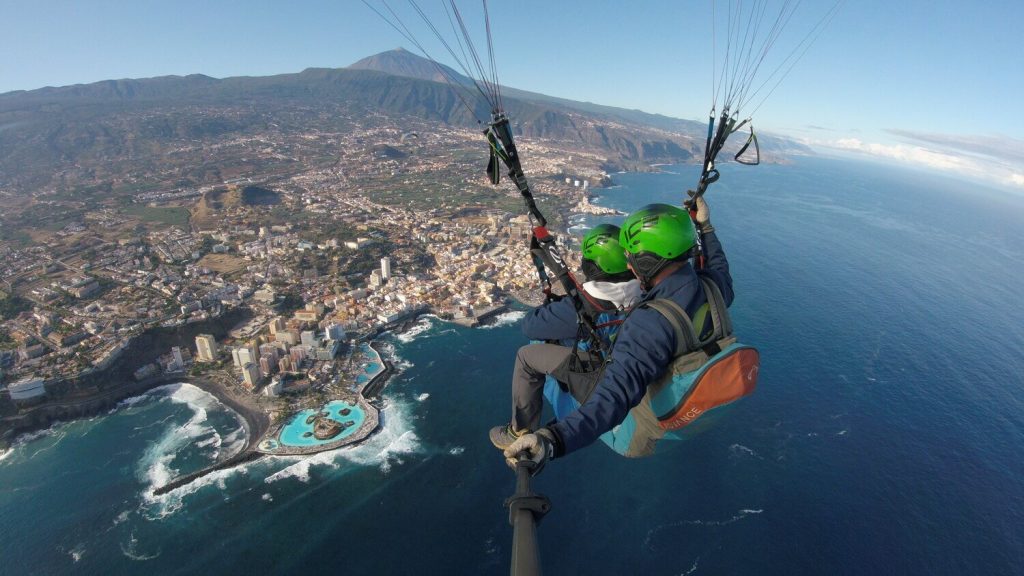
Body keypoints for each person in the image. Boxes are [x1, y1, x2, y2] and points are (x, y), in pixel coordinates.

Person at [502, 196, 733, 470]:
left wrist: (554, 440)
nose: (630, 266)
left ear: (648, 262)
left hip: (629, 431)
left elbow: (616, 396)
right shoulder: (713, 288)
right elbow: (717, 266)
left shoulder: (650, 323)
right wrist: (705, 227)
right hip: (688, 411)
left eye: (632, 258)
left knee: (533, 352)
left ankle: (520, 430)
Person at [489, 223, 643, 449]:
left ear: (591, 266)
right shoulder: (647, 292)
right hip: (625, 367)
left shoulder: (583, 307)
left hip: (601, 378)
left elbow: (531, 326)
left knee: (526, 355)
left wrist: (561, 305)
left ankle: (518, 430)